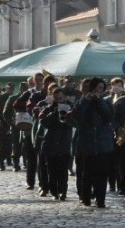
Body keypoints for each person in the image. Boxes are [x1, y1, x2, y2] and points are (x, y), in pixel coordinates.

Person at [73, 78, 115, 207]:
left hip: (103, 143)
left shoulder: (106, 101)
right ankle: (86, 198)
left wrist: (99, 101)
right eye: (97, 88)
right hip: (88, 142)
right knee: (87, 173)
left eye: (101, 88)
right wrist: (87, 100)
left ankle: (100, 199)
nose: (99, 91)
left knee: (102, 174)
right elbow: (77, 116)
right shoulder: (82, 101)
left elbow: (108, 116)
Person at [38, 85, 74, 200]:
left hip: (65, 143)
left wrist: (67, 114)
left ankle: (63, 191)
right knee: (52, 171)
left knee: (63, 170)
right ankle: (54, 192)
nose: (60, 100)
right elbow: (44, 122)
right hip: (50, 143)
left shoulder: (71, 108)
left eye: (61, 98)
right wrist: (54, 112)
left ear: (65, 97)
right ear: (53, 98)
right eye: (57, 99)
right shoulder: (48, 108)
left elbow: (75, 123)